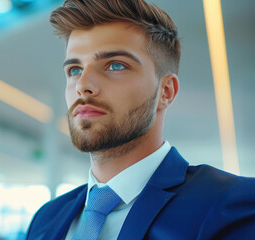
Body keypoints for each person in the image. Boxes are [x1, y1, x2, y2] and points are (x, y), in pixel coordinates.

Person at [26, 0, 255, 239]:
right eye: (74, 70)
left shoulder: (231, 207)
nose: (83, 85)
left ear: (165, 91)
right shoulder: (46, 219)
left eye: (115, 65)